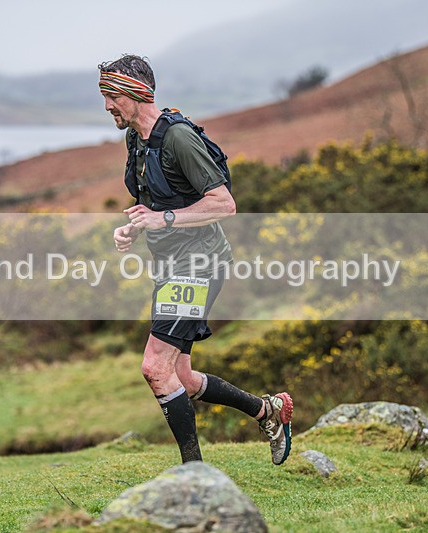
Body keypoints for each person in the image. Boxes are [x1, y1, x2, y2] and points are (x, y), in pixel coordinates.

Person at [99, 54, 293, 465]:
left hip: (199, 265)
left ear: (137, 93)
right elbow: (156, 201)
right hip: (172, 266)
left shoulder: (178, 138)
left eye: (112, 95)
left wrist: (164, 218)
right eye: (104, 96)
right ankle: (268, 411)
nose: (107, 106)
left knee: (155, 368)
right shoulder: (136, 138)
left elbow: (224, 204)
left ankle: (195, 473)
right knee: (182, 377)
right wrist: (135, 227)